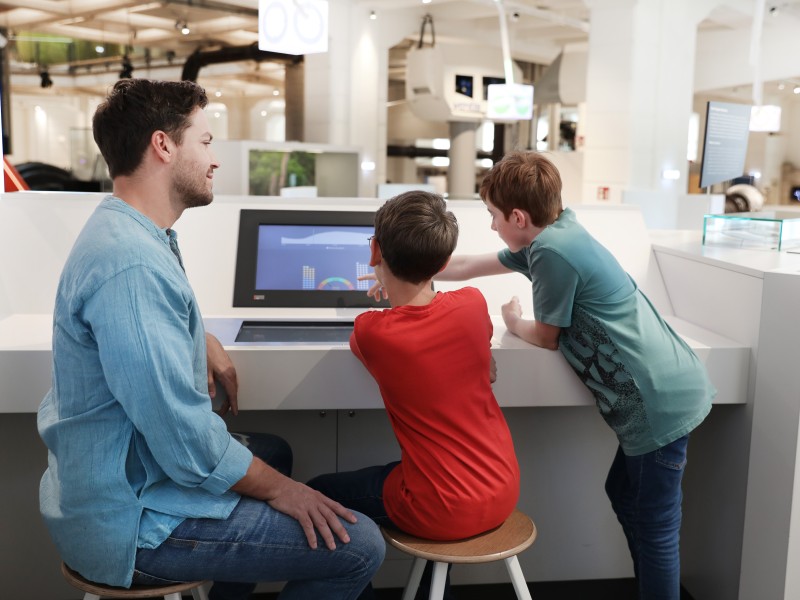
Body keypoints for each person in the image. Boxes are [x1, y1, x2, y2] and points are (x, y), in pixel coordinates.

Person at [37, 78, 384, 600]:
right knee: (361, 546)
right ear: (163, 145)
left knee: (274, 450)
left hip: (121, 474)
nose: (215, 158)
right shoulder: (130, 265)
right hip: (132, 521)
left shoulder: (135, 233)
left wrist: (202, 339)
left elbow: (160, 309)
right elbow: (185, 442)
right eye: (205, 141)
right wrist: (285, 492)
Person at [373, 151, 709, 600]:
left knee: (656, 528)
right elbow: (466, 265)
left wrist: (512, 322)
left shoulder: (551, 251)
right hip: (664, 392)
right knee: (628, 498)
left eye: (493, 215)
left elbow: (547, 336)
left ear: (516, 216)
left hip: (658, 404)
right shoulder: (552, 235)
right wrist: (399, 270)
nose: (491, 225)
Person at [308, 191, 520, 599]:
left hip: (440, 508)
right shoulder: (473, 304)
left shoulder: (373, 331)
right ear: (442, 264)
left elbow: (370, 336)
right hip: (502, 489)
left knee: (320, 493)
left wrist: (388, 297)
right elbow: (458, 330)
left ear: (374, 251)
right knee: (421, 474)